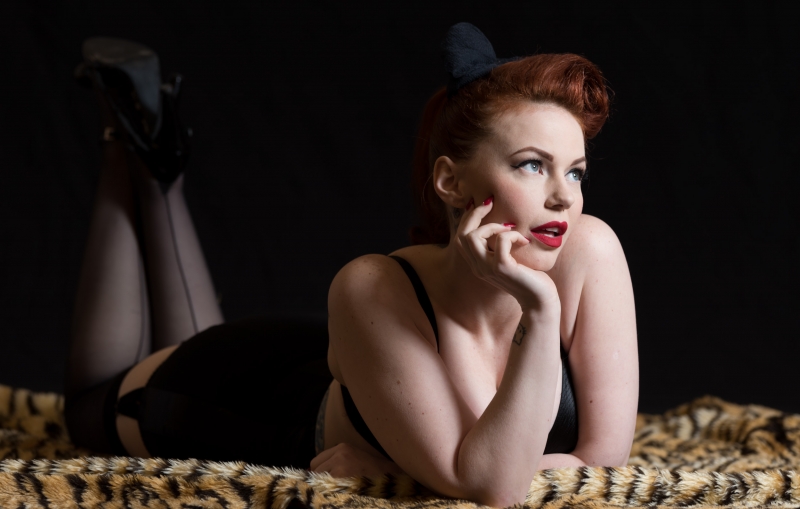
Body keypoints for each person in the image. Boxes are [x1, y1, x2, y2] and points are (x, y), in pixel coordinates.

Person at [65, 23, 638, 508]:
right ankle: (124, 135)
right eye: (532, 165)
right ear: (451, 181)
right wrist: (539, 311)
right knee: (91, 406)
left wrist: (405, 474)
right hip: (255, 402)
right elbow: (492, 487)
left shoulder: (590, 251)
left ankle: (157, 154)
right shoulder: (370, 285)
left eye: (576, 172)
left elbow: (603, 461)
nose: (564, 197)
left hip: (373, 364)